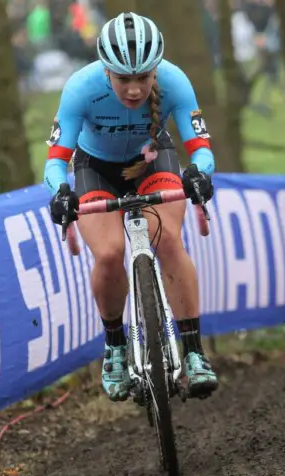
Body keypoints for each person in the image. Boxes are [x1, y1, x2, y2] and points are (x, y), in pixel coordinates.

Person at [43, 12, 219, 402]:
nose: (136, 89)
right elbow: (56, 161)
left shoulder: (174, 81)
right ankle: (115, 349)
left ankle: (193, 352)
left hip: (154, 159)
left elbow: (201, 150)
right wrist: (60, 192)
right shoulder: (79, 88)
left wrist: (199, 174)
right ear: (106, 71)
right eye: (124, 78)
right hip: (95, 170)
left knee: (168, 239)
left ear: (156, 70)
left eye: (144, 77)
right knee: (108, 254)